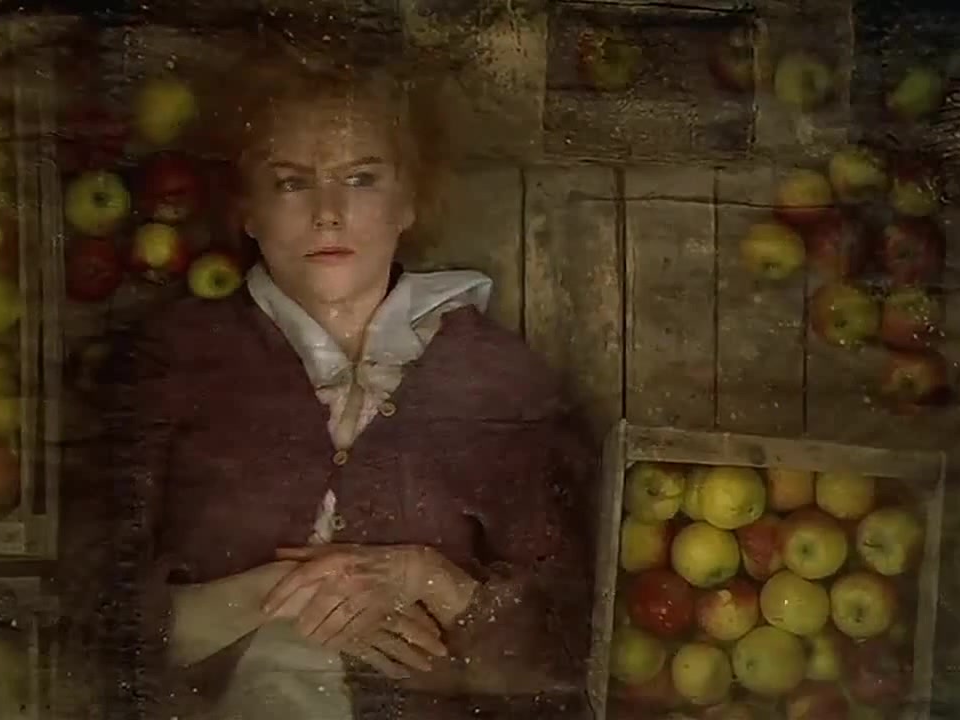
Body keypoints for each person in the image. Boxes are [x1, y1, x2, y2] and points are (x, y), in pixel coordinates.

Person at [89, 15, 597, 720]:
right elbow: (92, 628)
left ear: (410, 198)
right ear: (247, 208)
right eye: (291, 183)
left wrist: (422, 576)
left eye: (361, 179)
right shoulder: (170, 360)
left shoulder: (502, 379)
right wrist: (281, 595)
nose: (329, 214)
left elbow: (562, 652)